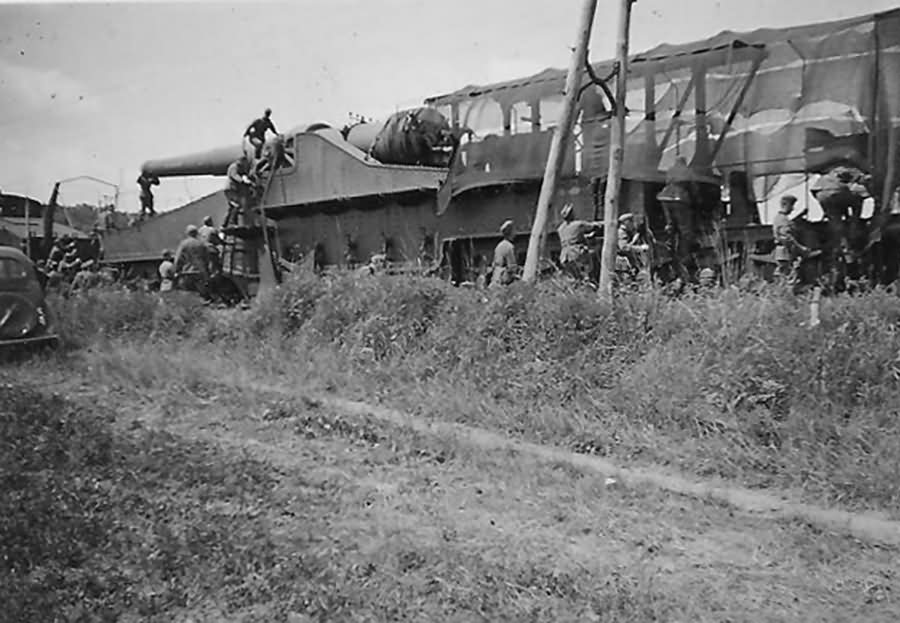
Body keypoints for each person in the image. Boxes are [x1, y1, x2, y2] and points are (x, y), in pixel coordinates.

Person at [557, 203, 601, 281]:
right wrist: (599, 224)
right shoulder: (578, 224)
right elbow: (592, 226)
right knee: (593, 257)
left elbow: (571, 238)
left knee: (575, 277)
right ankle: (592, 279)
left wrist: (586, 236)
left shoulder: (560, 229)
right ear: (571, 214)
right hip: (577, 253)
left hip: (564, 256)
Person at [772, 194, 810, 279]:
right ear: (784, 204)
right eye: (791, 205)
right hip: (784, 252)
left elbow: (791, 224)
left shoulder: (781, 218)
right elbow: (787, 237)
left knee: (788, 275)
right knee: (785, 275)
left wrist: (801, 215)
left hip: (786, 251)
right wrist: (801, 248)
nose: (792, 209)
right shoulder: (782, 219)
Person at [174, 225, 210, 298]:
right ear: (196, 233)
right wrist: (206, 271)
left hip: (187, 272)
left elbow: (178, 259)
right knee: (201, 294)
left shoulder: (183, 244)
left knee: (188, 294)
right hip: (200, 272)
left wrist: (176, 270)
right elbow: (207, 259)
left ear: (187, 233)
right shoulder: (201, 244)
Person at [225, 156, 256, 227]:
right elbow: (234, 175)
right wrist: (243, 181)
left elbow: (243, 174)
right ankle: (232, 222)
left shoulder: (239, 167)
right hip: (231, 189)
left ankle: (226, 223)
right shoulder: (234, 167)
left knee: (233, 206)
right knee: (236, 205)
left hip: (234, 189)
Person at [490, 220, 518, 287]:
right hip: (503, 278)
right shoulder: (509, 247)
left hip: (495, 276)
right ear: (511, 232)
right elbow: (512, 266)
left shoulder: (499, 245)